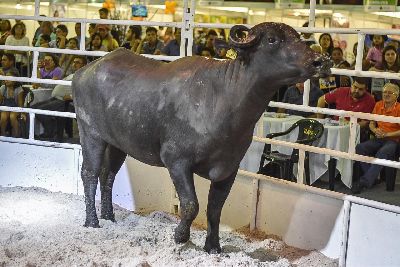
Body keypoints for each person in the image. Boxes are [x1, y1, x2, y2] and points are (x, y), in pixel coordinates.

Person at [354, 83, 400, 192]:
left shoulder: (399, 108)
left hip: (394, 140)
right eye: (385, 92)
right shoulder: (378, 104)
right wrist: (375, 130)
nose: (386, 94)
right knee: (360, 148)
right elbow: (371, 123)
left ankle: (365, 181)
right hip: (379, 138)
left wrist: (387, 134)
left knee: (382, 153)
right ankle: (372, 178)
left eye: (390, 93)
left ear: (396, 96)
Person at [33, 56, 87, 141]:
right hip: (57, 98)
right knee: (34, 107)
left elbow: (85, 91)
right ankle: (52, 131)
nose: (74, 64)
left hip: (64, 101)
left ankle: (50, 133)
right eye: (74, 62)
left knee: (39, 110)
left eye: (78, 62)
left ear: (84, 65)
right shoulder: (73, 74)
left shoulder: (84, 75)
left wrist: (71, 97)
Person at [0, 70, 24, 137]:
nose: (6, 80)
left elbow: (20, 103)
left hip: (15, 108)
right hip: (5, 107)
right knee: (3, 116)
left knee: (12, 116)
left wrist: (22, 113)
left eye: (9, 78)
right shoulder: (3, 88)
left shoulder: (19, 89)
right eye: (5, 78)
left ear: (15, 80)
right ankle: (3, 134)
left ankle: (16, 134)